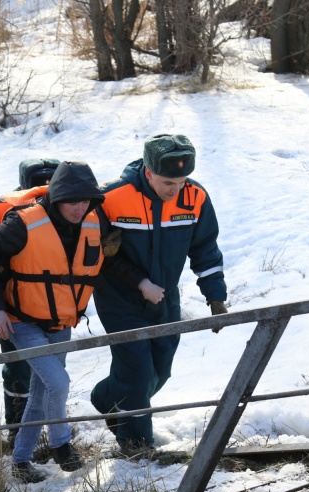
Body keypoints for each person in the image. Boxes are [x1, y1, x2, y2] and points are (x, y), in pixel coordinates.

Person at [90, 133, 228, 456]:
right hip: (119, 298)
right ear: (148, 172)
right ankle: (136, 446)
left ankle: (106, 399)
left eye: (182, 181)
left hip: (164, 296)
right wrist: (139, 282)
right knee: (136, 372)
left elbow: (205, 249)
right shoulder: (112, 197)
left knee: (160, 369)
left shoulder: (195, 198)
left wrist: (215, 298)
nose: (175, 190)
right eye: (168, 182)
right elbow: (102, 253)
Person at [0, 161, 105, 483]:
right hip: (20, 321)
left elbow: (103, 262)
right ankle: (62, 444)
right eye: (72, 201)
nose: (80, 208)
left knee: (41, 392)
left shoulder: (91, 221)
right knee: (58, 383)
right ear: (57, 197)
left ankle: (20, 462)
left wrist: (141, 283)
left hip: (61, 321)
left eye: (85, 201)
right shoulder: (21, 223)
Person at [0, 158, 58, 447]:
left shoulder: (73, 203)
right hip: (14, 306)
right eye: (37, 187)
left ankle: (52, 428)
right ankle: (17, 429)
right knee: (18, 368)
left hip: (56, 305)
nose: (44, 193)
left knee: (52, 369)